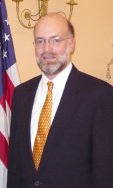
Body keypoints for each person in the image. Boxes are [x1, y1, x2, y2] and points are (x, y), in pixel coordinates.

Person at [7, 13, 113, 188]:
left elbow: (105, 170)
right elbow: (16, 165)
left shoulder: (100, 95)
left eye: (55, 40)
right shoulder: (21, 94)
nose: (47, 49)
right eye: (40, 41)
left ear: (71, 44)